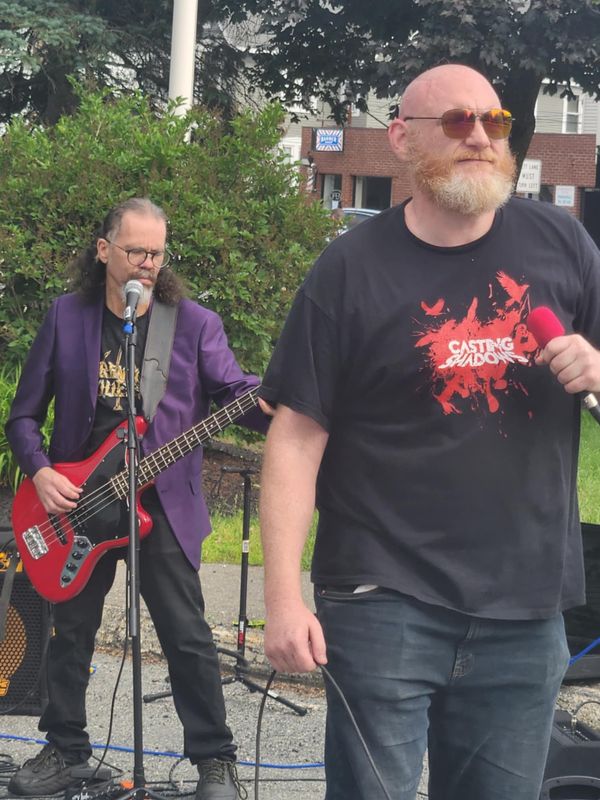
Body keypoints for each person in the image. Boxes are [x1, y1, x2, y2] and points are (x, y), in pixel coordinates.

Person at [257, 64, 600, 800]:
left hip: (525, 606)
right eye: (456, 122)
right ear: (401, 139)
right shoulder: (349, 269)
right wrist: (282, 597)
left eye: (494, 121)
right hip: (385, 597)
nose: (480, 137)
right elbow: (295, 436)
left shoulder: (562, 244)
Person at [5, 197, 270, 800]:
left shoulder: (194, 324)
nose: (148, 264)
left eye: (156, 253)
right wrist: (40, 472)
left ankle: (215, 761)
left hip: (163, 502)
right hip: (77, 508)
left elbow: (235, 391)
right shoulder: (66, 317)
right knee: (70, 633)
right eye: (136, 252)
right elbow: (23, 418)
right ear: (104, 251)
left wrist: (277, 400)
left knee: (187, 636)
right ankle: (66, 749)